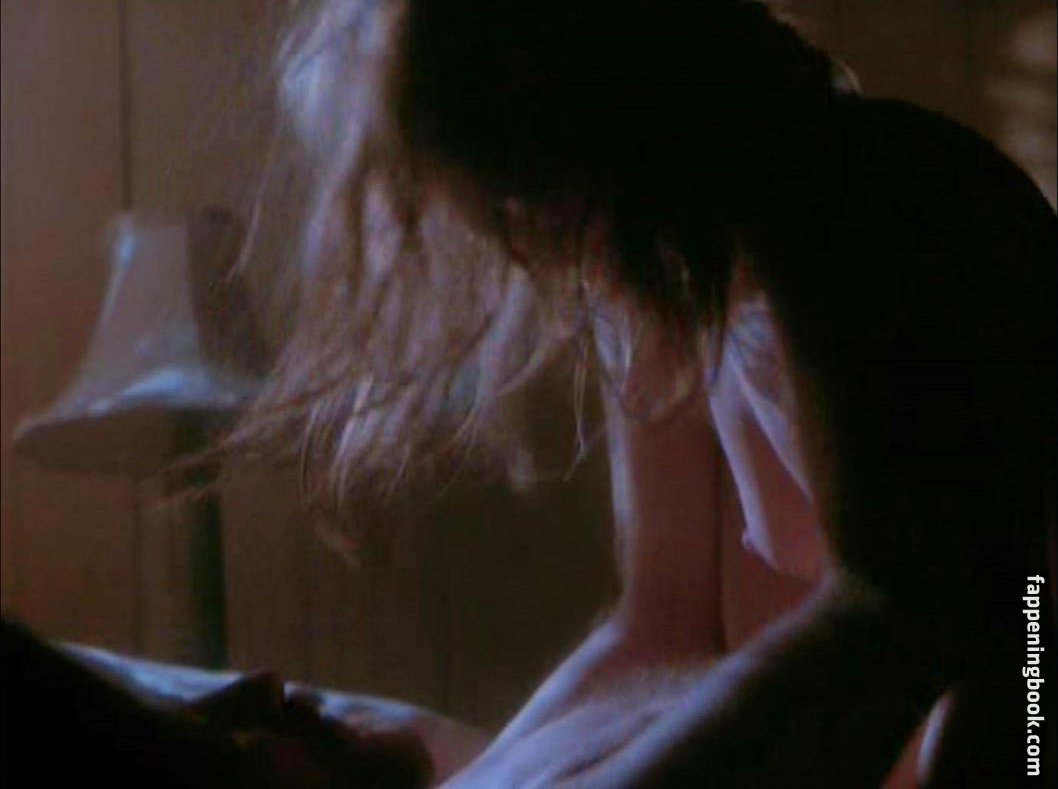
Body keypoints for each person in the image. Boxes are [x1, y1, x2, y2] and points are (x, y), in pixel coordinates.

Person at [244, 0, 1057, 785]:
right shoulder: (662, 274)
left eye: (512, 204)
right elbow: (661, 622)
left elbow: (920, 624)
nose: (513, 245)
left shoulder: (871, 211)